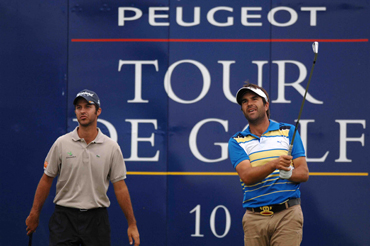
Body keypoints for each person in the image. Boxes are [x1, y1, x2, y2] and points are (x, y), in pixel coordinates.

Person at [25, 89, 140, 246]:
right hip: (64, 219)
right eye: (79, 107)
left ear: (98, 111)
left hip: (96, 220)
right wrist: (34, 213)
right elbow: (46, 179)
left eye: (88, 106)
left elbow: (120, 187)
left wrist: (131, 223)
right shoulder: (61, 143)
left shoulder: (111, 147)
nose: (82, 111)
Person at [228, 83, 309, 246]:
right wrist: (274, 165)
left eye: (254, 99)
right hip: (254, 218)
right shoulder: (236, 141)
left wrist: (289, 174)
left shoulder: (288, 131)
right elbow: (247, 177)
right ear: (242, 109)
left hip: (287, 215)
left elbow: (304, 173)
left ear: (266, 105)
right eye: (244, 101)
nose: (249, 103)